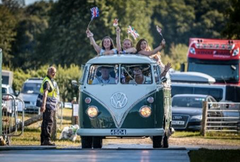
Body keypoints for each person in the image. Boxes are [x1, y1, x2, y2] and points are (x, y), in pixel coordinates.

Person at [39, 66, 58, 146]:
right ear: (48, 72)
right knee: (48, 122)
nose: (53, 74)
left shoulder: (50, 81)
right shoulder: (47, 82)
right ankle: (47, 140)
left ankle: (43, 140)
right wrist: (43, 105)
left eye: (54, 72)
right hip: (48, 105)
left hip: (50, 105)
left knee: (45, 122)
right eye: (52, 72)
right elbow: (45, 94)